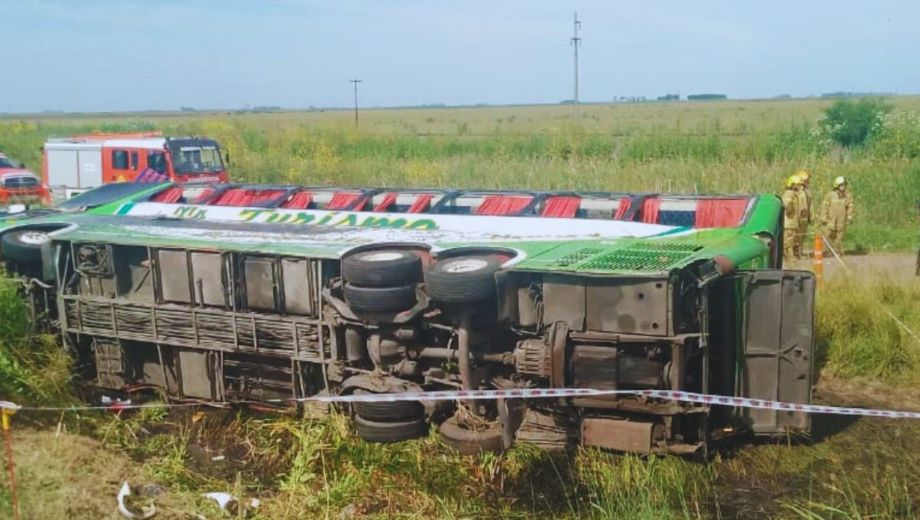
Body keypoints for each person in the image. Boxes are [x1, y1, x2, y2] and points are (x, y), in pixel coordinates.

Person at [819, 176, 854, 257]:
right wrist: (824, 217)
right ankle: (828, 252)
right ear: (836, 185)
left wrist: (849, 217)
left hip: (841, 221)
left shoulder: (847, 196)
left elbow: (850, 207)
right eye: (842, 185)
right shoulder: (830, 195)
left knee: (839, 237)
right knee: (828, 235)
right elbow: (824, 206)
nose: (843, 187)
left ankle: (837, 252)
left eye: (844, 185)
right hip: (830, 220)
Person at [781, 174, 802, 261]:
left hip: (792, 222)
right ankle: (788, 257)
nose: (799, 186)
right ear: (793, 185)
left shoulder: (793, 194)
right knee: (788, 241)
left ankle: (791, 256)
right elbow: (786, 205)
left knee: (792, 240)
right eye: (798, 184)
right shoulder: (789, 194)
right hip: (789, 223)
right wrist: (789, 212)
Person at [795, 170, 812, 259]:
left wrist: (811, 216)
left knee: (802, 236)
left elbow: (809, 205)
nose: (809, 181)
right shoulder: (797, 192)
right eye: (807, 179)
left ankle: (800, 252)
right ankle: (796, 253)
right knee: (797, 236)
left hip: (805, 218)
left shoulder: (807, 191)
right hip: (799, 218)